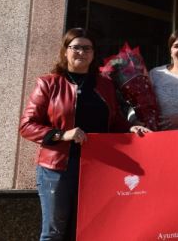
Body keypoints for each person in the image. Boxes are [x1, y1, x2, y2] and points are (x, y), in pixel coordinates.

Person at [19, 28, 150, 241]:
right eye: (76, 47)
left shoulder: (105, 85)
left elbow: (113, 120)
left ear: (93, 53)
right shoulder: (49, 83)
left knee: (86, 230)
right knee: (54, 233)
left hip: (98, 168)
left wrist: (130, 128)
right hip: (58, 167)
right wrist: (62, 135)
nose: (81, 52)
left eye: (87, 48)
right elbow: (27, 125)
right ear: (65, 52)